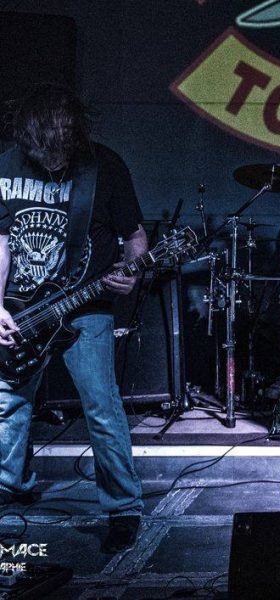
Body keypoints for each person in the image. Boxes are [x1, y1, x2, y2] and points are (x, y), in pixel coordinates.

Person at [0, 83, 147, 553]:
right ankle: (11, 486)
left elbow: (136, 238)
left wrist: (131, 272)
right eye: (47, 150)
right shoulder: (6, 165)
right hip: (21, 310)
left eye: (63, 148)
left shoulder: (103, 167)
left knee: (101, 407)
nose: (55, 158)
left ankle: (123, 508)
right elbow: (0, 243)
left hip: (86, 308)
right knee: (8, 404)